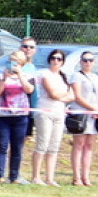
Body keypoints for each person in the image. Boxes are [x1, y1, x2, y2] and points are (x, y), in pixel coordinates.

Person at [30, 48, 73, 186]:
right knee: (42, 144)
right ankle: (36, 177)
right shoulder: (45, 74)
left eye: (59, 59)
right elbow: (52, 94)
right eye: (53, 58)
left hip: (59, 113)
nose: (56, 61)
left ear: (62, 62)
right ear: (49, 60)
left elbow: (72, 96)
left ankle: (50, 178)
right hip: (45, 112)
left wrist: (61, 96)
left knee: (54, 146)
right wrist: (62, 95)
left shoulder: (63, 76)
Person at [0, 50, 35, 184]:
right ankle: (1, 176)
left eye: (16, 62)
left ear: (21, 63)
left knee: (17, 147)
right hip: (3, 116)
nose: (13, 64)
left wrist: (20, 75)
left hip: (21, 116)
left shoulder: (27, 76)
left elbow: (29, 90)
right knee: (2, 146)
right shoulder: (0, 75)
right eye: (11, 61)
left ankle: (14, 176)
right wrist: (5, 78)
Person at [69, 51, 98, 186]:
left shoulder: (96, 77)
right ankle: (76, 177)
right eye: (85, 60)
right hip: (81, 113)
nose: (88, 63)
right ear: (81, 62)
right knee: (79, 144)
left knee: (89, 145)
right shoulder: (76, 76)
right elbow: (77, 96)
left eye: (90, 60)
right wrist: (92, 108)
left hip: (94, 114)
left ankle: (86, 176)